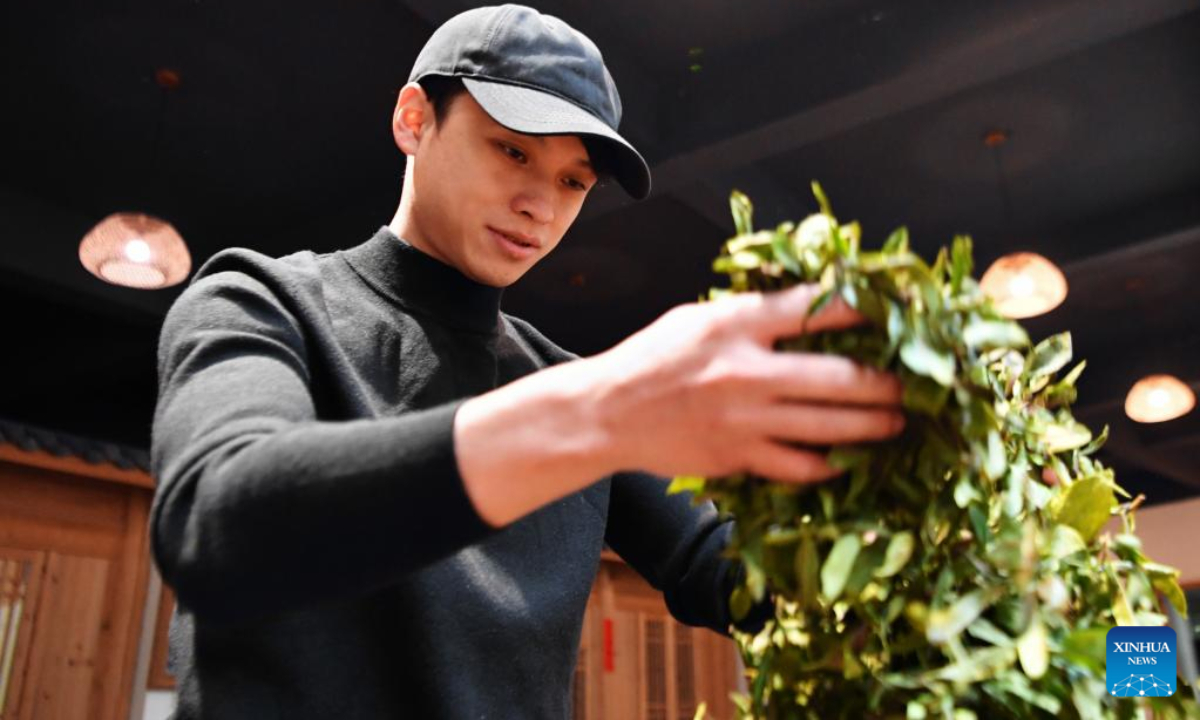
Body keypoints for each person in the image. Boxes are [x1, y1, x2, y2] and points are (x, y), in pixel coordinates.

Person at [148, 4, 905, 718]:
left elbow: (731, 575)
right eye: (512, 150)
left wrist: (921, 520)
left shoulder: (567, 387)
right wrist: (605, 408)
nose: (541, 204)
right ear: (414, 119)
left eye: (574, 181)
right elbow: (219, 524)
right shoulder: (259, 300)